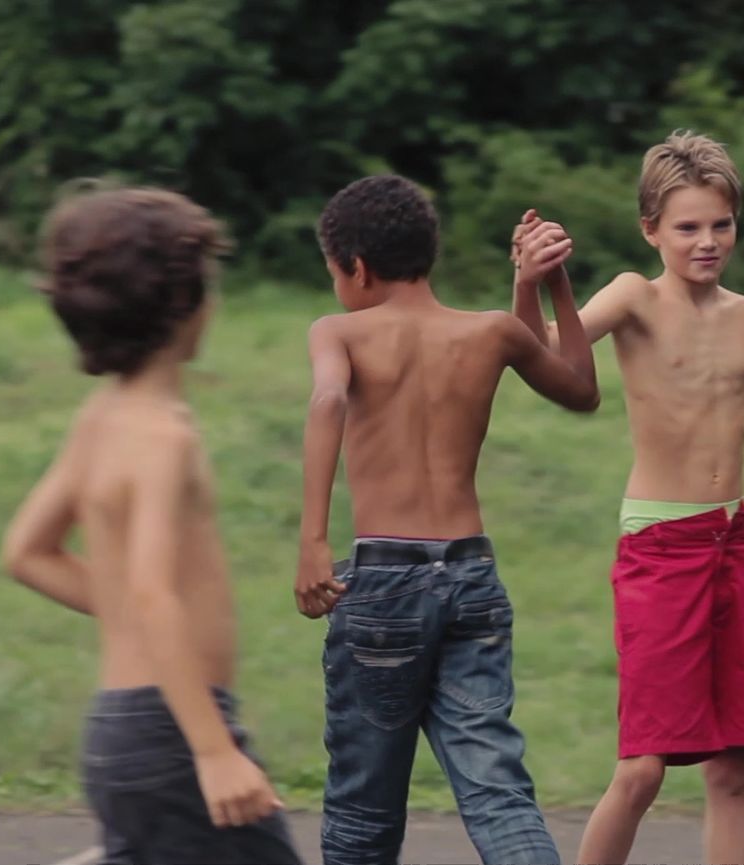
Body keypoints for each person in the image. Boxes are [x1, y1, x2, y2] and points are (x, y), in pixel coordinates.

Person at [511, 130, 744, 865]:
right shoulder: (634, 297)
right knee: (643, 768)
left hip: (733, 542)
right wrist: (527, 281)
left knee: (732, 765)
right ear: (651, 229)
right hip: (659, 546)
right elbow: (544, 348)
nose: (707, 241)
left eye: (720, 224)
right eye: (687, 227)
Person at [294, 174, 598, 865]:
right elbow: (581, 390)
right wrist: (547, 283)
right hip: (471, 581)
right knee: (498, 794)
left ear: (356, 268)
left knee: (363, 811)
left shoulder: (337, 330)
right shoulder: (490, 332)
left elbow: (327, 403)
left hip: (383, 589)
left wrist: (313, 540)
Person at [1, 187, 301, 864]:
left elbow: (27, 551)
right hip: (173, 733)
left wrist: (142, 629)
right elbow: (150, 589)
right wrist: (214, 751)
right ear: (184, 304)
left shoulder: (101, 417)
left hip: (120, 731)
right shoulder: (166, 436)